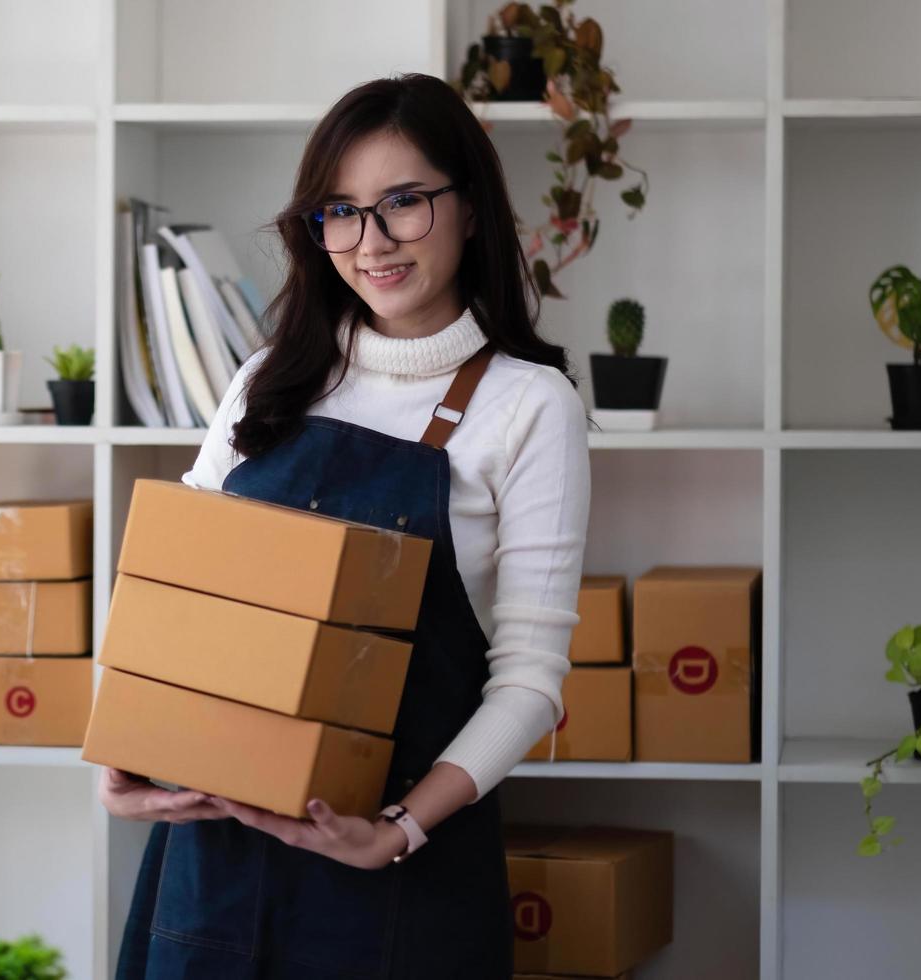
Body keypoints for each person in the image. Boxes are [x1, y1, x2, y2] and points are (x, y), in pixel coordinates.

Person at [103, 72, 591, 978]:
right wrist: (127, 750)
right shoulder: (268, 382)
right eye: (340, 211)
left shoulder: (529, 406)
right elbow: (174, 601)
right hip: (214, 856)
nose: (370, 242)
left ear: (472, 208)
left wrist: (399, 830)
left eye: (403, 203)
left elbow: (529, 682)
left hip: (395, 866)